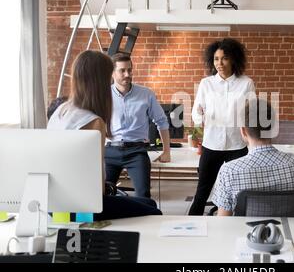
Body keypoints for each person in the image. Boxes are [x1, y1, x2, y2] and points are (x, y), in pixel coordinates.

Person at [47, 50, 162, 220]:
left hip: (55, 201)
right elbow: (97, 185)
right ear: (100, 81)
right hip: (80, 206)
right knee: (153, 211)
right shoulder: (93, 121)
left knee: (147, 203)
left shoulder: (61, 111)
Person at [188, 38, 256, 215]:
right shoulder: (206, 83)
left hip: (237, 146)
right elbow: (197, 113)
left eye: (224, 58)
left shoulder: (246, 83)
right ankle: (190, 226)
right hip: (211, 144)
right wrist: (196, 135)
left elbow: (252, 114)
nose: (219, 63)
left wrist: (253, 140)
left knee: (239, 192)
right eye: (216, 58)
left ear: (234, 59)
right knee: (202, 192)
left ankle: (235, 227)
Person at [211, 98, 294, 216]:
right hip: (289, 232)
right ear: (273, 128)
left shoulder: (229, 171)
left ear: (243, 131)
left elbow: (223, 221)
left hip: (245, 233)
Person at [105, 53, 171, 198]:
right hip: (110, 151)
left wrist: (166, 151)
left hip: (136, 151)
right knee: (102, 195)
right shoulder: (104, 95)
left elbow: (162, 121)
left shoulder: (146, 94)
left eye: (129, 69)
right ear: (112, 72)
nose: (127, 74)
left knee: (143, 194)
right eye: (122, 70)